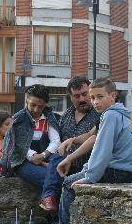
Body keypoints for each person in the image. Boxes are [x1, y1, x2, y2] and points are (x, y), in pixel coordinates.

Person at [47, 78, 132, 224]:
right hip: (131, 171)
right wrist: (75, 162)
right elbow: (96, 140)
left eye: (100, 97)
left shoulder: (110, 116)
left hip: (119, 171)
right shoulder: (121, 114)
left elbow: (103, 151)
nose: (95, 102)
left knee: (69, 183)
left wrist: (90, 175)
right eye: (93, 98)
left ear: (113, 96)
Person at [40, 77, 100, 213]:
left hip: (87, 164)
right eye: (76, 96)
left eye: (85, 94)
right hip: (64, 165)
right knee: (55, 163)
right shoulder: (66, 115)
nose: (82, 99)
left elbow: (94, 137)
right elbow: (59, 143)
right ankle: (50, 205)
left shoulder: (99, 114)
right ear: (70, 97)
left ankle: (51, 206)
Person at [0, 84, 61, 201]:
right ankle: (50, 206)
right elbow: (17, 144)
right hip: (22, 161)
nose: (36, 110)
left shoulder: (50, 118)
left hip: (46, 156)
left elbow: (56, 141)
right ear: (26, 99)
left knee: (59, 164)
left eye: (41, 107)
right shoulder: (18, 119)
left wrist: (43, 155)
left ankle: (50, 206)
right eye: (33, 105)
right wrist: (32, 156)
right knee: (51, 176)